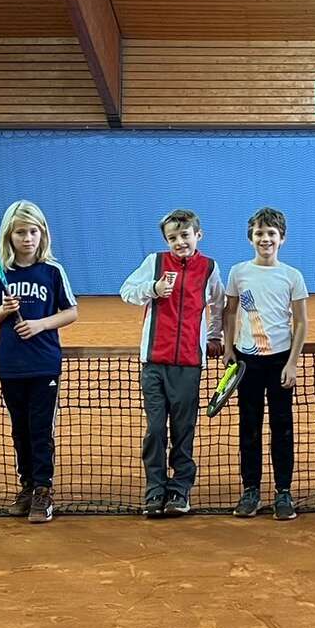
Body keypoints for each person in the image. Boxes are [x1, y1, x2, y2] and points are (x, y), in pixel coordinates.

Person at [120, 208, 224, 517]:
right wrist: (152, 289)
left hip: (189, 364)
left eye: (185, 235)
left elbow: (219, 303)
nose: (180, 242)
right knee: (155, 429)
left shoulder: (209, 268)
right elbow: (126, 291)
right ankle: (155, 489)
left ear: (198, 235)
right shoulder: (154, 262)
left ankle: (179, 490)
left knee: (183, 430)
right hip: (153, 361)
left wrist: (214, 335)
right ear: (166, 240)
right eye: (173, 237)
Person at [0, 201, 77, 523]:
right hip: (11, 364)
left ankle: (43, 489)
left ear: (43, 234)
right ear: (9, 236)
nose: (27, 238)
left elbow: (71, 312)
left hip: (44, 363)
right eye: (20, 232)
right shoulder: (0, 273)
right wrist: (5, 310)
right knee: (20, 430)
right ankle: (26, 486)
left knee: (40, 429)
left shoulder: (52, 271)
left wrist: (39, 324)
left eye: (33, 231)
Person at [223, 206, 309, 520]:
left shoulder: (292, 276)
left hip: (280, 362)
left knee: (282, 427)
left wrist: (292, 363)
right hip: (248, 363)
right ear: (251, 238)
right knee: (249, 427)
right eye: (259, 233)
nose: (265, 239)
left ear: (282, 238)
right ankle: (251, 491)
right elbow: (230, 312)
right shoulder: (238, 272)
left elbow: (301, 322)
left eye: (271, 233)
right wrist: (229, 347)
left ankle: (283, 491)